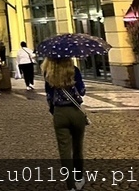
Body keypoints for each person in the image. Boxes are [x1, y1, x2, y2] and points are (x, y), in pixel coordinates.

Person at [43, 56, 88, 191]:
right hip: (76, 112)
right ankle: (79, 178)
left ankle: (70, 186)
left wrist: (54, 111)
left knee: (64, 151)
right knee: (77, 147)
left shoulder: (49, 73)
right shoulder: (74, 70)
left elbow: (49, 96)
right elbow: (82, 91)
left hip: (60, 113)